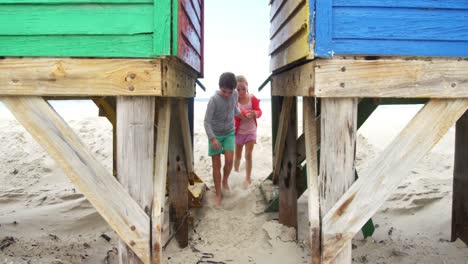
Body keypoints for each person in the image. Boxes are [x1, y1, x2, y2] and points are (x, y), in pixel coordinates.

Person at [204, 72, 242, 206]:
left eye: (229, 92)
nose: (226, 94)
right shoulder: (213, 100)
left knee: (230, 159)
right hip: (215, 135)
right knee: (216, 165)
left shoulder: (235, 95)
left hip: (229, 132)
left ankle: (225, 180)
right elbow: (206, 122)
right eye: (224, 91)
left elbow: (234, 109)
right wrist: (213, 139)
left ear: (233, 90)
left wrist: (242, 115)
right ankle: (218, 194)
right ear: (220, 87)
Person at [234, 75, 262, 187]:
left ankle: (248, 178)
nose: (241, 92)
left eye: (243, 89)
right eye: (238, 89)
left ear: (247, 87)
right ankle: (235, 173)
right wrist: (244, 114)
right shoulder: (234, 101)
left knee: (248, 155)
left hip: (251, 131)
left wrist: (255, 113)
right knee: (238, 156)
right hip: (239, 132)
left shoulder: (252, 98)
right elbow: (234, 113)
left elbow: (259, 111)